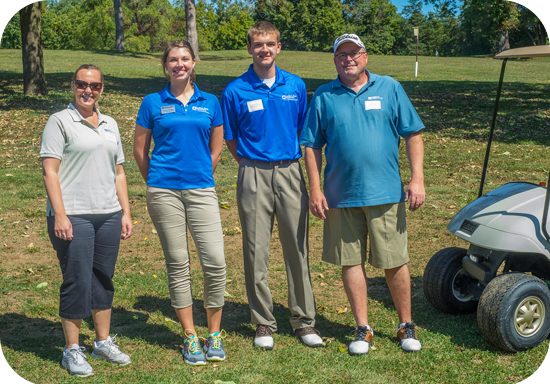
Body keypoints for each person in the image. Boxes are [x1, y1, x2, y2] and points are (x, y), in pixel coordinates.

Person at [300, 33, 425, 355]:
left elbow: (413, 134)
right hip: (341, 195)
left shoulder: (389, 88)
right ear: (335, 61)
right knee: (350, 261)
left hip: (386, 193)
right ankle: (362, 327)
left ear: (365, 56)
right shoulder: (325, 96)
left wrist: (418, 179)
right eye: (342, 55)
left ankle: (405, 324)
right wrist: (315, 189)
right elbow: (312, 145)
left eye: (353, 53)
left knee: (394, 261)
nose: (348, 59)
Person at [221, 21, 322, 350]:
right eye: (258, 44)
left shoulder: (295, 85)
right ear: (249, 49)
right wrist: (252, 164)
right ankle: (263, 321)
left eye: (270, 44)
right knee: (255, 250)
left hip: (291, 172)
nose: (264, 49)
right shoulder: (235, 90)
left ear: (279, 48)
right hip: (252, 173)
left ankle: (304, 320)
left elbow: (301, 129)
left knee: (297, 247)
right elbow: (232, 139)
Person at [133, 40, 226, 366]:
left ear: (194, 62)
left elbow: (216, 148)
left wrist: (201, 172)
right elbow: (140, 151)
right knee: (178, 263)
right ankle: (189, 335)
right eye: (173, 60)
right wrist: (157, 181)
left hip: (201, 189)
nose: (179, 64)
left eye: (184, 58)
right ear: (166, 65)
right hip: (163, 192)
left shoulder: (210, 102)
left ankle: (213, 333)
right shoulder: (152, 102)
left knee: (215, 261)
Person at [41, 64, 133, 377]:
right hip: (74, 215)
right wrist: (61, 215)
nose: (88, 91)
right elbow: (50, 170)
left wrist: (126, 212)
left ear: (102, 89)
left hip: (108, 214)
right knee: (77, 280)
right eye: (82, 84)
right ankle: (71, 349)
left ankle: (102, 341)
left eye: (94, 86)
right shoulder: (60, 121)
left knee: (102, 279)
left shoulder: (110, 123)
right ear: (73, 86)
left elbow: (118, 172)